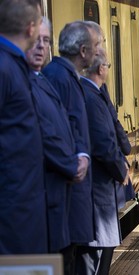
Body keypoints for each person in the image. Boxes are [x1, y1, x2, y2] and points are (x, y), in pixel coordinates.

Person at [26, 17, 89, 272]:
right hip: (42, 207)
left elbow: (65, 126)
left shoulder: (42, 80)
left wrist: (81, 154)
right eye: (35, 40)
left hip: (58, 205)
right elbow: (44, 133)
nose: (41, 47)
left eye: (46, 41)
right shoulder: (26, 82)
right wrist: (73, 163)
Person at [42, 20, 102, 274]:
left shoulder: (65, 76)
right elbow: (56, 130)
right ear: (83, 51)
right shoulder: (59, 78)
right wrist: (77, 160)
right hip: (67, 193)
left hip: (74, 192)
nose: (99, 52)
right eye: (96, 46)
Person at [0, 0, 48, 254]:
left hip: (22, 206)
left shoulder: (13, 65)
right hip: (13, 211)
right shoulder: (6, 67)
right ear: (31, 28)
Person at [77, 48, 129, 275]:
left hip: (99, 191)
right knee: (96, 258)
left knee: (102, 251)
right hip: (97, 190)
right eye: (107, 66)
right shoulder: (90, 97)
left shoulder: (94, 93)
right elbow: (103, 143)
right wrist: (121, 169)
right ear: (101, 69)